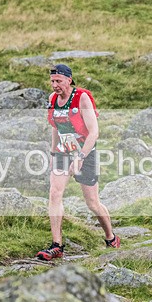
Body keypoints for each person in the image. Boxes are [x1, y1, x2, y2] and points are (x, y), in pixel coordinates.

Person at [36, 64, 121, 260]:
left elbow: (94, 132)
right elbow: (56, 127)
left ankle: (111, 237)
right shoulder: (53, 99)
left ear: (69, 80)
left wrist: (81, 157)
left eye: (58, 81)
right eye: (52, 81)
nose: (54, 85)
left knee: (92, 203)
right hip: (63, 152)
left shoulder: (82, 97)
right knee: (55, 193)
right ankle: (57, 246)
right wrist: (53, 153)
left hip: (85, 152)